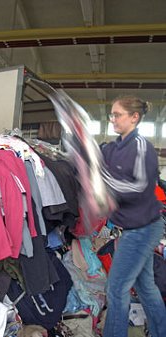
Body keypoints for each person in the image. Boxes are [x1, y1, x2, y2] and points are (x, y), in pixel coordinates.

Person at [101, 95, 166, 337]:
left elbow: (139, 187)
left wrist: (106, 185)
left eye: (118, 114)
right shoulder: (113, 147)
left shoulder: (142, 147)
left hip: (143, 229)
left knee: (116, 288)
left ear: (134, 117)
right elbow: (97, 164)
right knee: (146, 287)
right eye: (112, 114)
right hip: (133, 229)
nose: (113, 119)